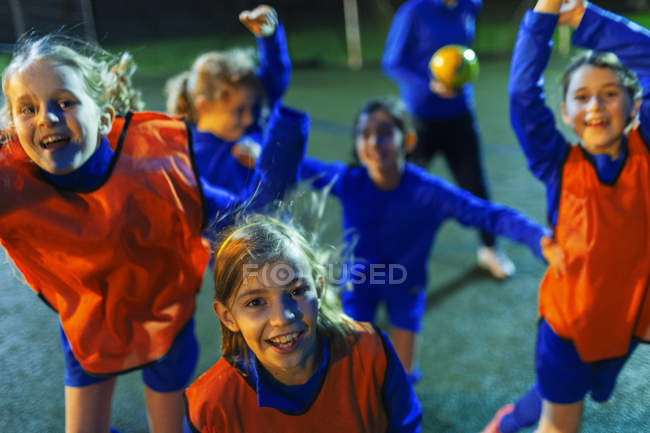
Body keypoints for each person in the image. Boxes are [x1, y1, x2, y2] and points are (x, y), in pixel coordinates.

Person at [0, 34, 307, 433]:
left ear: (106, 117)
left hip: (164, 315)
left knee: (169, 425)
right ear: (13, 125)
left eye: (65, 102)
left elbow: (247, 218)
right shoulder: (14, 182)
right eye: (28, 108)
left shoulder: (157, 169)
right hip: (89, 320)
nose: (47, 118)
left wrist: (283, 142)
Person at [299, 97, 562, 383]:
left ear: (408, 140)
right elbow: (299, 166)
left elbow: (489, 215)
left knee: (404, 376)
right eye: (365, 134)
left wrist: (538, 237)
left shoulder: (428, 192)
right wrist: (256, 153)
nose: (374, 142)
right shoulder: (349, 180)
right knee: (356, 369)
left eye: (385, 133)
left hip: (406, 288)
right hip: (360, 285)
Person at [480, 1, 650, 432]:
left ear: (634, 106)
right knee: (560, 418)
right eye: (582, 96)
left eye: (611, 93)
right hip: (570, 323)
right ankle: (508, 421)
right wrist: (541, 15)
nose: (596, 106)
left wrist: (583, 17)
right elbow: (521, 93)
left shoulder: (646, 149)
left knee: (567, 387)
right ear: (566, 115)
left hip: (634, 312)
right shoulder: (558, 163)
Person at [183, 213, 423, 432]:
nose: (283, 318)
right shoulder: (209, 407)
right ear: (227, 316)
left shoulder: (371, 352)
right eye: (256, 302)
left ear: (318, 289)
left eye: (296, 291)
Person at [381, 0, 515, 279]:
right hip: (420, 119)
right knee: (404, 188)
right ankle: (388, 256)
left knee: (475, 185)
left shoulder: (470, 6)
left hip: (459, 114)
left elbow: (460, 54)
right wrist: (428, 84)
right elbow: (392, 62)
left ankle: (489, 249)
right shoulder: (414, 11)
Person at [165, 4, 291, 195]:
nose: (249, 118)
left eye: (253, 108)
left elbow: (273, 83)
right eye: (238, 111)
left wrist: (269, 37)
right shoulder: (187, 157)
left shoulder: (251, 131)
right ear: (204, 107)